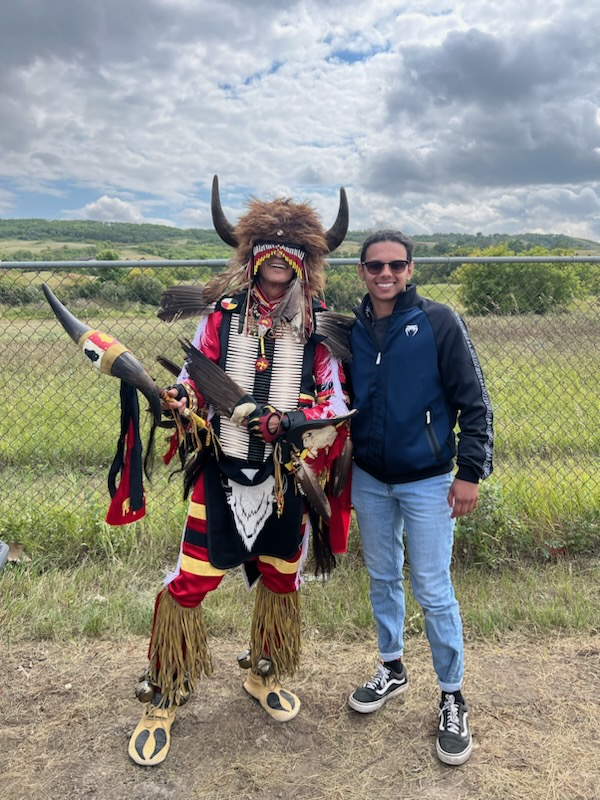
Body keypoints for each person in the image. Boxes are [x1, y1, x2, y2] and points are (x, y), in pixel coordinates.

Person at [128, 177, 353, 766]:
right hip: (220, 474)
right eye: (268, 254)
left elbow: (333, 402)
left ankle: (263, 671)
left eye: (291, 256)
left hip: (286, 480)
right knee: (191, 584)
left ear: (304, 265)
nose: (279, 264)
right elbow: (190, 379)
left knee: (282, 580)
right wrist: (179, 402)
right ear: (252, 260)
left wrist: (292, 420)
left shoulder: (320, 328)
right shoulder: (220, 317)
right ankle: (165, 691)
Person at [346, 229, 494, 766]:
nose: (385, 274)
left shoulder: (438, 321)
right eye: (374, 266)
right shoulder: (353, 329)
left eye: (396, 265)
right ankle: (392, 667)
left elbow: (475, 402)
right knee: (383, 577)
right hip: (370, 477)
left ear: (411, 269)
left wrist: (470, 472)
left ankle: (452, 695)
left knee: (433, 588)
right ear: (360, 271)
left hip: (430, 479)